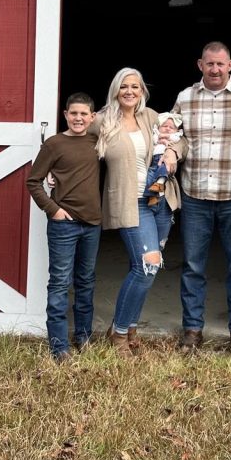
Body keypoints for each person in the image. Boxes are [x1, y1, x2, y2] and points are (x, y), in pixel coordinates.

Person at [173, 41, 231, 352]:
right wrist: (170, 150)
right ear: (200, 65)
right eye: (210, 64)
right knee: (193, 265)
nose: (215, 69)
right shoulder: (185, 97)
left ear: (230, 65)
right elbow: (174, 135)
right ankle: (192, 331)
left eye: (221, 64)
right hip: (195, 195)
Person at [96, 67, 185, 356]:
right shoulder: (102, 120)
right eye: (124, 87)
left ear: (142, 91)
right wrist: (55, 173)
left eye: (135, 86)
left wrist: (172, 151)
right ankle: (119, 332)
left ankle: (131, 326)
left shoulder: (151, 117)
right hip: (129, 203)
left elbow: (181, 136)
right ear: (115, 90)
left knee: (151, 268)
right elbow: (74, 138)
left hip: (159, 202)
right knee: (145, 266)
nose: (130, 92)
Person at [26, 92, 102, 361]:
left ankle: (84, 336)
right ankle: (59, 346)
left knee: (86, 281)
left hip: (92, 223)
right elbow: (33, 182)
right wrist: (53, 209)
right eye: (74, 113)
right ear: (65, 115)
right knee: (59, 282)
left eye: (84, 114)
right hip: (64, 224)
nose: (78, 118)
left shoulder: (98, 142)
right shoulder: (55, 144)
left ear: (92, 117)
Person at [146, 111, 183, 206]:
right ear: (158, 127)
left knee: (164, 171)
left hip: (165, 159)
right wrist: (159, 137)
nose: (168, 129)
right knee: (149, 177)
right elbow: (153, 139)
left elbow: (175, 139)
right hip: (154, 160)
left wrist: (164, 139)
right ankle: (153, 196)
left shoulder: (175, 136)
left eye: (171, 128)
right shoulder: (155, 134)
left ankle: (160, 183)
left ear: (177, 130)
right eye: (164, 126)